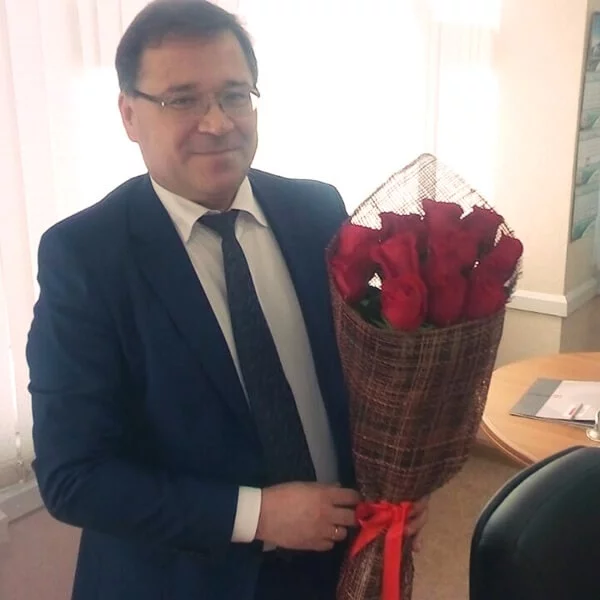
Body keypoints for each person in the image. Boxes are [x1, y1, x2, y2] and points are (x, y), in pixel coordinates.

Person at [26, 1, 428, 599]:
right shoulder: (86, 256)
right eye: (182, 100)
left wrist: (400, 480)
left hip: (338, 561)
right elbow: (74, 476)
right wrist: (258, 516)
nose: (217, 123)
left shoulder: (316, 211)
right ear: (129, 114)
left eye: (235, 95)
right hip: (184, 580)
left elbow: (361, 379)